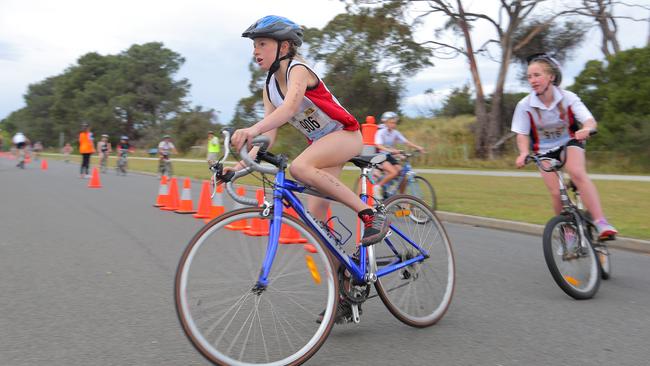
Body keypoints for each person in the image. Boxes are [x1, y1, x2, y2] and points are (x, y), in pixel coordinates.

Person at [232, 16, 391, 323]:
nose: (256, 51)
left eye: (262, 43)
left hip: (345, 135)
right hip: (323, 144)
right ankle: (347, 292)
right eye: (254, 45)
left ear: (285, 46)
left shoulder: (298, 70)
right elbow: (270, 134)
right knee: (318, 228)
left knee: (299, 166)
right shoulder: (269, 87)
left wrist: (251, 129)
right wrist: (236, 168)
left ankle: (371, 214)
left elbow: (290, 110)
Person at [511, 52, 617, 239]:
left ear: (551, 77)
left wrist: (587, 128)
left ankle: (601, 222)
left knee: (576, 173)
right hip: (543, 150)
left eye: (537, 75)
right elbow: (522, 133)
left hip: (570, 142)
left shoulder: (568, 97)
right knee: (556, 192)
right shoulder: (524, 105)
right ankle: (568, 231)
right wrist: (523, 152)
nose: (532, 80)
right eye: (529, 77)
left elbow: (589, 120)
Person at [373, 111, 425, 199]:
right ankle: (377, 187)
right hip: (380, 156)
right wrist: (391, 151)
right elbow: (378, 145)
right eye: (391, 122)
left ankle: (401, 197)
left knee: (402, 173)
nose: (394, 124)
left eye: (395, 122)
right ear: (385, 122)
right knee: (394, 172)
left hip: (389, 156)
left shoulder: (395, 132)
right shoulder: (381, 132)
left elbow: (406, 142)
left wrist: (418, 147)